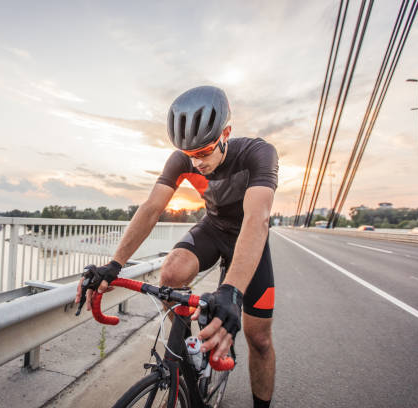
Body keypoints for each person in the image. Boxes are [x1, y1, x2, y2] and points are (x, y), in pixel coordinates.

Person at [76, 85, 278, 407]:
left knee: (260, 339)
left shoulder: (258, 154)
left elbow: (257, 220)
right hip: (213, 227)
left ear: (226, 132)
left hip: (248, 234)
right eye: (189, 154)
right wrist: (115, 264)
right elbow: (151, 208)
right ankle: (191, 359)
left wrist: (232, 291)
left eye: (204, 152)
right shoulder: (182, 159)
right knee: (170, 274)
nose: (196, 163)